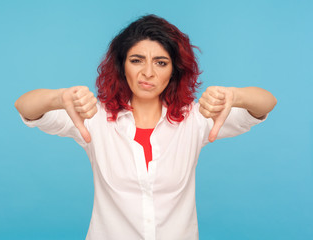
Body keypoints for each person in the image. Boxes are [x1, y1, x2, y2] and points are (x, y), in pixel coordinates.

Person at [15, 15, 277, 240]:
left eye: (161, 62)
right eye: (137, 60)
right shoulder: (93, 118)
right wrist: (57, 98)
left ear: (174, 71)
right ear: (122, 66)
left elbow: (267, 103)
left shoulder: (195, 118)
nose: (148, 73)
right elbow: (24, 106)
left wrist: (236, 95)